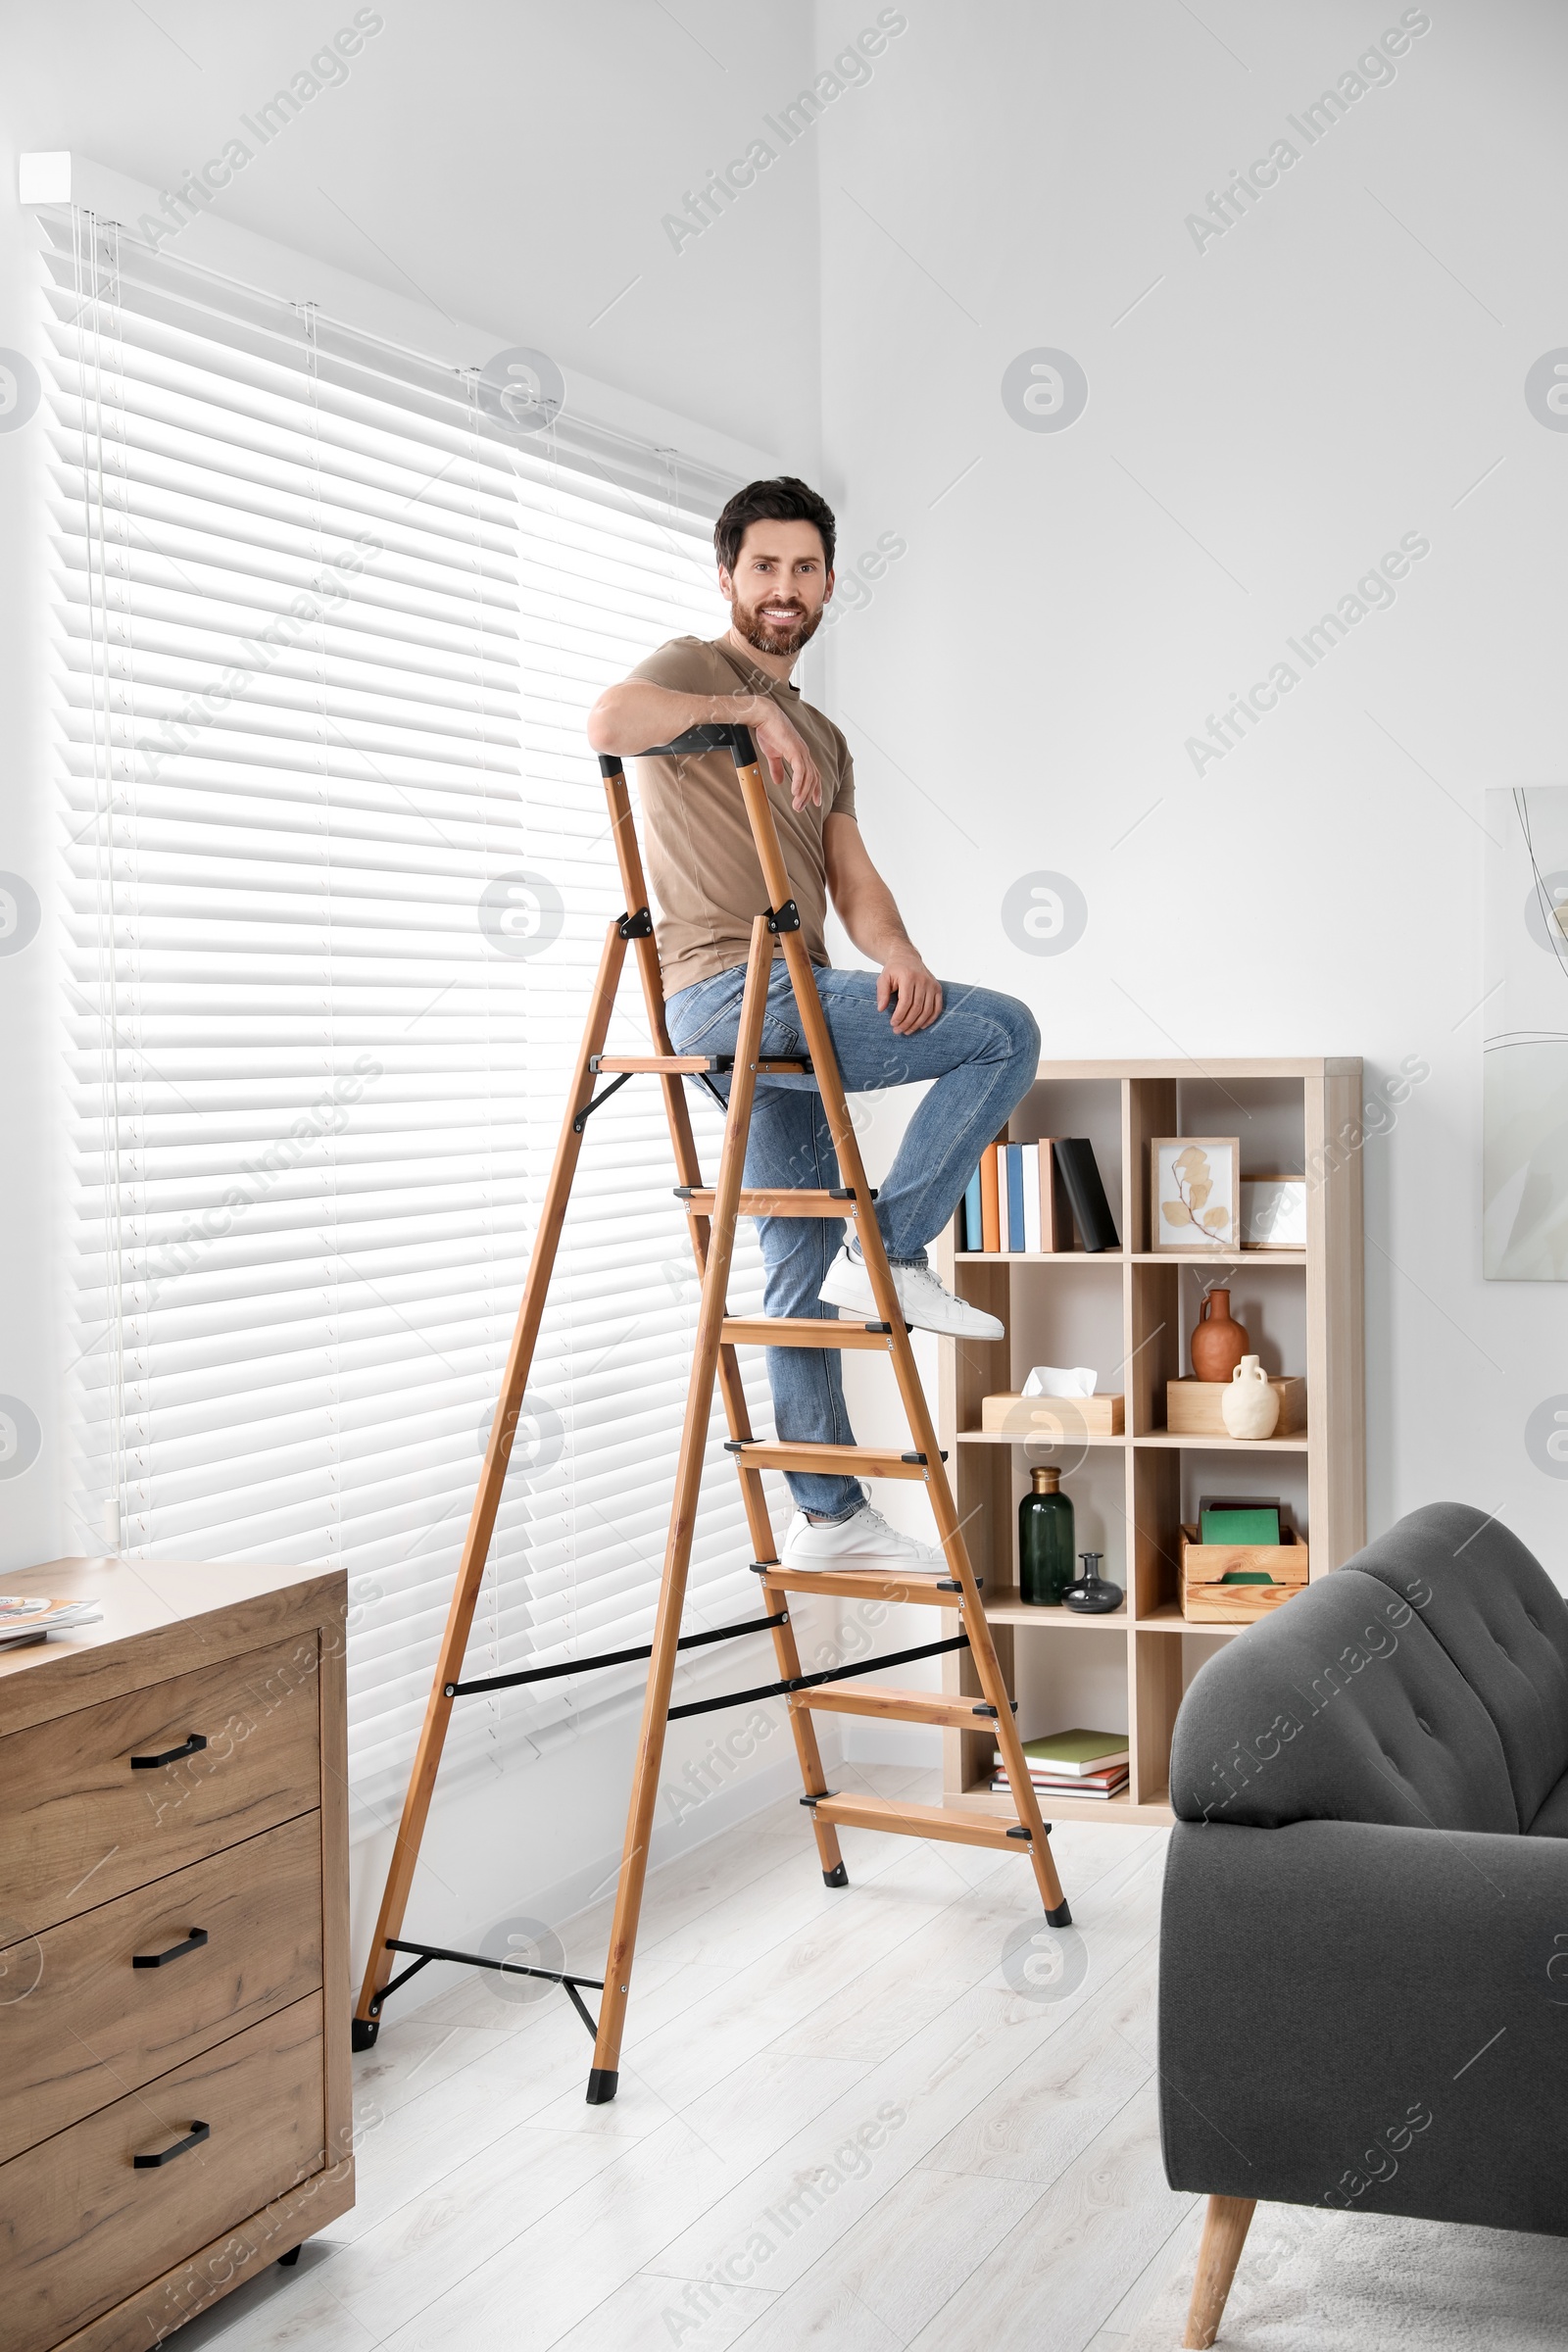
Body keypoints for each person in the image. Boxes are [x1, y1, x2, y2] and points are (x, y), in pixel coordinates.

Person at [586, 476, 1041, 1570]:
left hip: (797, 989)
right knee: (1007, 1032)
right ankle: (889, 1247)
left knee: (793, 1266)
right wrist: (742, 711)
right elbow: (606, 723)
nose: (782, 589)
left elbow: (850, 875)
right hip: (729, 989)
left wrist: (897, 954)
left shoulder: (827, 738)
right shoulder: (696, 670)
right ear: (728, 577)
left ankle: (828, 1515)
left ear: (829, 581)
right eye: (762, 568)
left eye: (802, 568)